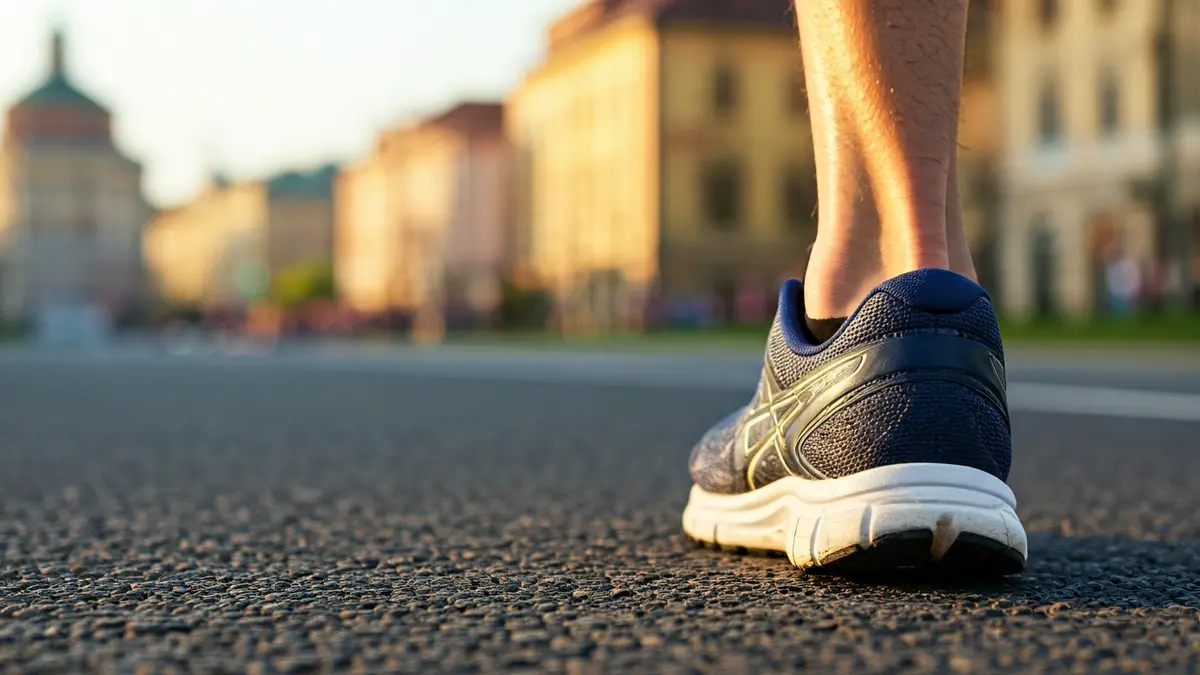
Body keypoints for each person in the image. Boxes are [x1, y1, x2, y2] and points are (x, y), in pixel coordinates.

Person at [682, 0, 1026, 575]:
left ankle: (861, 314)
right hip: (964, 374)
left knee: (907, 255)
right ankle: (916, 318)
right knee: (919, 251)